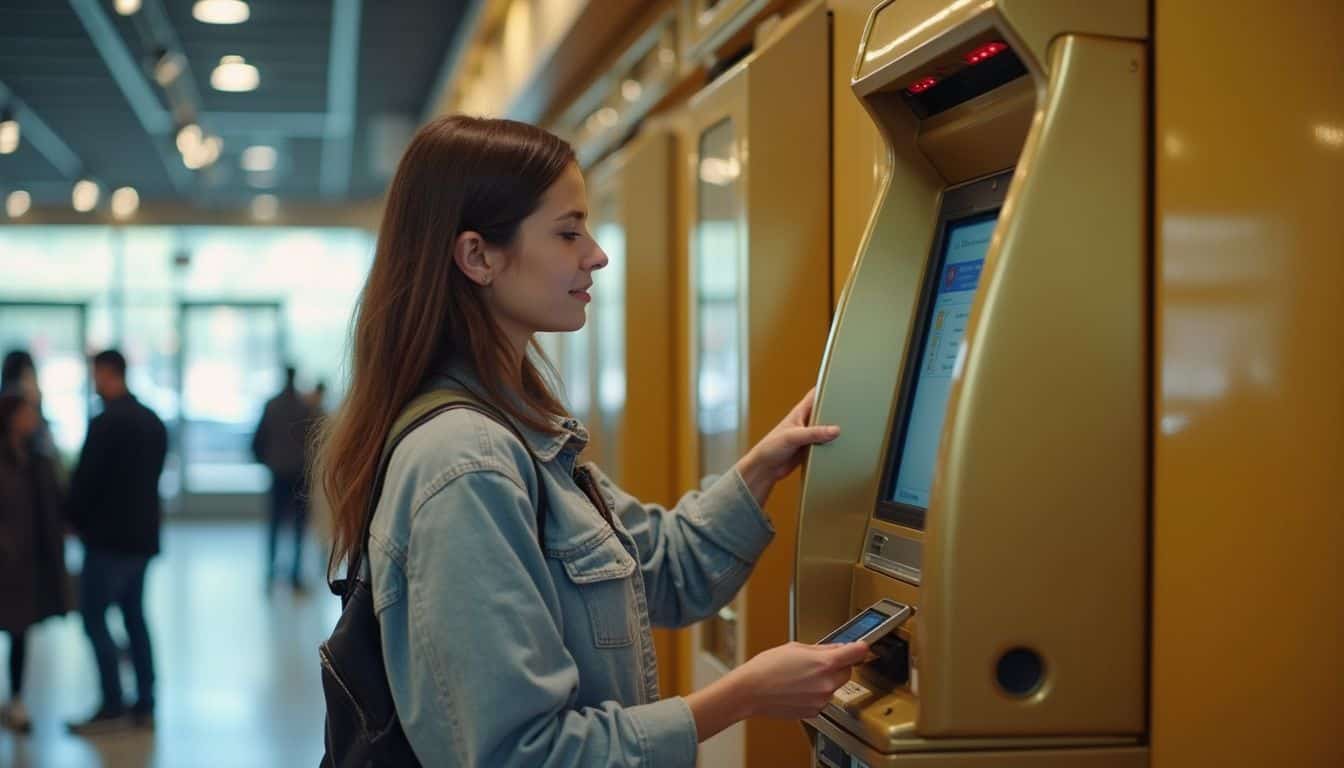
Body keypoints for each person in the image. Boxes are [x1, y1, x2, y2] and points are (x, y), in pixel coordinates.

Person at [315, 115, 867, 766]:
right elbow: (524, 755)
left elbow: (663, 570)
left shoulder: (515, 431)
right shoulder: (468, 463)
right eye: (568, 231)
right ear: (478, 256)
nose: (597, 254)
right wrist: (740, 696)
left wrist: (761, 468)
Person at [65, 350, 167, 734]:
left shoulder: (106, 423)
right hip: (142, 539)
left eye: (96, 375)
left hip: (107, 541)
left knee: (93, 618)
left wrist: (70, 518)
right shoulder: (152, 421)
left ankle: (112, 704)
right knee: (134, 617)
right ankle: (145, 701)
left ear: (108, 374)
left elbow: (86, 481)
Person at [0, 393, 69, 733]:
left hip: (26, 563)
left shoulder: (39, 459)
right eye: (25, 412)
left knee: (19, 630)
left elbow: (55, 505)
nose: (31, 419)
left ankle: (16, 698)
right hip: (5, 559)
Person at [252, 365, 319, 591]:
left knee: (274, 524)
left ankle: (271, 572)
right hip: (299, 473)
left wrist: (268, 460)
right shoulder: (304, 408)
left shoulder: (272, 406)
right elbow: (314, 441)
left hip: (278, 472)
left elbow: (258, 439)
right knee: (299, 526)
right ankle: (295, 574)